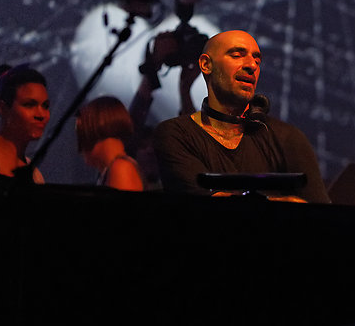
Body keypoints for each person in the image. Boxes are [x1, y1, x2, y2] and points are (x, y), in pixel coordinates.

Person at [152, 30, 330, 202]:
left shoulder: (288, 138)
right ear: (206, 64)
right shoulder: (175, 133)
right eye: (237, 55)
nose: (252, 66)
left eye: (257, 60)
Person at [0, 64, 50, 183]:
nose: (41, 114)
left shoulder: (36, 176)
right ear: (3, 108)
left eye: (45, 106)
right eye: (29, 105)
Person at [75, 95, 144, 191]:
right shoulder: (113, 170)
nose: (80, 148)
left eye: (82, 134)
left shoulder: (121, 169)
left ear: (96, 130)